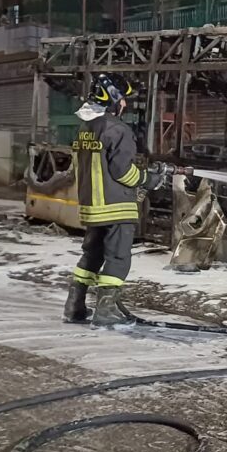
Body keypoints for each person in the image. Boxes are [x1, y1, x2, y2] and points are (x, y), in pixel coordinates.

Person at [63, 74, 164, 327]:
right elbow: (123, 171)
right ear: (114, 100)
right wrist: (148, 179)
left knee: (92, 255)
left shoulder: (85, 127)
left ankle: (74, 305)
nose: (126, 105)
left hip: (92, 206)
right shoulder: (117, 129)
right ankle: (106, 311)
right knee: (118, 258)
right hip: (116, 206)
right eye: (124, 99)